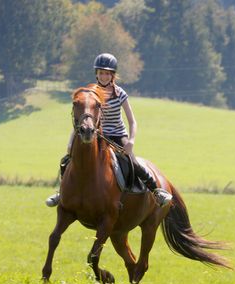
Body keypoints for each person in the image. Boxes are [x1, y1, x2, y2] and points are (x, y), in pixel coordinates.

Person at [45, 53, 172, 207]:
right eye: (101, 73)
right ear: (96, 74)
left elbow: (132, 121)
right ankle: (62, 193)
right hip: (96, 133)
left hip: (117, 134)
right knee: (68, 160)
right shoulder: (90, 93)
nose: (104, 76)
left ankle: (156, 191)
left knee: (131, 161)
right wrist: (72, 139)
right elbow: (82, 116)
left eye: (107, 73)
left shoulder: (120, 94)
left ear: (113, 75)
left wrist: (131, 141)